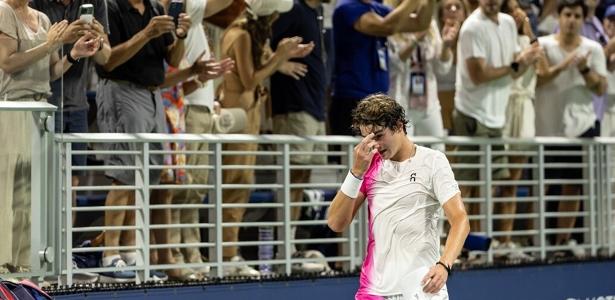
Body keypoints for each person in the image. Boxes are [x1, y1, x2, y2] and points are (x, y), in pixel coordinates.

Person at [327, 94, 470, 299]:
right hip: (374, 291)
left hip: (422, 288)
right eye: (367, 138)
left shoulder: (432, 161)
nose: (375, 145)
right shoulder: (368, 165)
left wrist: (444, 265)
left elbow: (460, 220)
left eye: (378, 135)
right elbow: (335, 223)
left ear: (399, 125)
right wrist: (356, 172)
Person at [95, 0, 191, 282]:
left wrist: (181, 36)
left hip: (153, 95)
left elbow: (172, 60)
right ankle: (110, 254)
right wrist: (146, 34)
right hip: (121, 91)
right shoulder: (110, 9)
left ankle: (131, 252)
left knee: (146, 177)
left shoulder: (155, 10)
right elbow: (108, 60)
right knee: (124, 175)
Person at [0, 0, 99, 273]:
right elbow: (7, 63)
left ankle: (24, 263)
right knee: (10, 191)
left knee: (31, 193)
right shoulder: (3, 11)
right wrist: (49, 44)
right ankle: (4, 265)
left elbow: (52, 71)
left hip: (41, 109)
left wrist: (73, 54)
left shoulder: (43, 19)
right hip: (12, 107)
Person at [219, 0, 314, 276]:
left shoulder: (244, 33)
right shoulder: (241, 34)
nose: (275, 20)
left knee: (241, 184)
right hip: (239, 117)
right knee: (236, 184)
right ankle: (227, 254)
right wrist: (279, 56)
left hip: (247, 116)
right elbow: (250, 80)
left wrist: (283, 56)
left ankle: (228, 253)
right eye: (273, 15)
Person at [453, 0, 541, 233]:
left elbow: (514, 72)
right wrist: (518, 63)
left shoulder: (509, 24)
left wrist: (528, 58)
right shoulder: (472, 27)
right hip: (471, 114)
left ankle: (480, 244)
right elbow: (479, 75)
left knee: (489, 185)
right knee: (466, 186)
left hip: (496, 117)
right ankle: (451, 245)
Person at [166, 0, 234, 280]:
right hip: (188, 107)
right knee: (183, 186)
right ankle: (176, 251)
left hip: (203, 107)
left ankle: (192, 249)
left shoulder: (198, 24)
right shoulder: (186, 8)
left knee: (197, 187)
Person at [535, 0, 607, 256]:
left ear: (583, 18)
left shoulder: (593, 49)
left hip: (581, 127)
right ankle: (538, 243)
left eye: (577, 15)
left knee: (572, 186)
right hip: (545, 128)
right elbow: (539, 80)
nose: (572, 20)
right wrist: (564, 65)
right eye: (567, 14)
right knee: (542, 185)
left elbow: (601, 88)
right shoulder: (542, 45)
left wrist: (585, 69)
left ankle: (561, 243)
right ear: (558, 15)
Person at [270, 0, 328, 265]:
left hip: (315, 108)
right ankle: (283, 248)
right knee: (291, 176)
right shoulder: (291, 8)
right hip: (294, 106)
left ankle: (290, 245)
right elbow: (262, 40)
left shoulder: (315, 13)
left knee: (302, 177)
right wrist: (279, 65)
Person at [329, 0, 435, 136]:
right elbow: (387, 27)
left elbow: (420, 24)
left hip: (379, 100)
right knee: (354, 155)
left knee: (379, 155)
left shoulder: (377, 8)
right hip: (353, 99)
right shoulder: (347, 6)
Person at [496, 0, 539, 259]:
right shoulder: (500, 37)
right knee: (492, 181)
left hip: (525, 109)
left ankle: (506, 241)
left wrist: (530, 32)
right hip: (501, 105)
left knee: (512, 181)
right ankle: (486, 243)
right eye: (511, 9)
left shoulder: (531, 42)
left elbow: (543, 70)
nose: (518, 12)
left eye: (519, 8)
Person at [386, 0, 457, 143]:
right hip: (400, 103)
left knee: (437, 151)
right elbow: (392, 65)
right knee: (405, 157)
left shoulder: (430, 24)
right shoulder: (390, 21)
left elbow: (441, 68)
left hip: (428, 104)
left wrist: (446, 45)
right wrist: (416, 39)